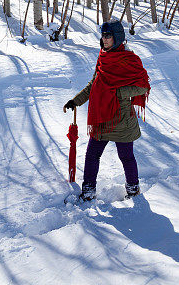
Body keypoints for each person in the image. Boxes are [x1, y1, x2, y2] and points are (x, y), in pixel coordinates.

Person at [64, 20, 150, 201]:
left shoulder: (129, 59)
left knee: (126, 156)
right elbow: (93, 85)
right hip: (101, 117)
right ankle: (88, 191)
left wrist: (119, 92)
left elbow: (142, 86)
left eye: (108, 35)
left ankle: (133, 190)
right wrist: (75, 101)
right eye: (102, 35)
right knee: (92, 155)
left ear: (117, 37)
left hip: (121, 119)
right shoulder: (103, 56)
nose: (104, 39)